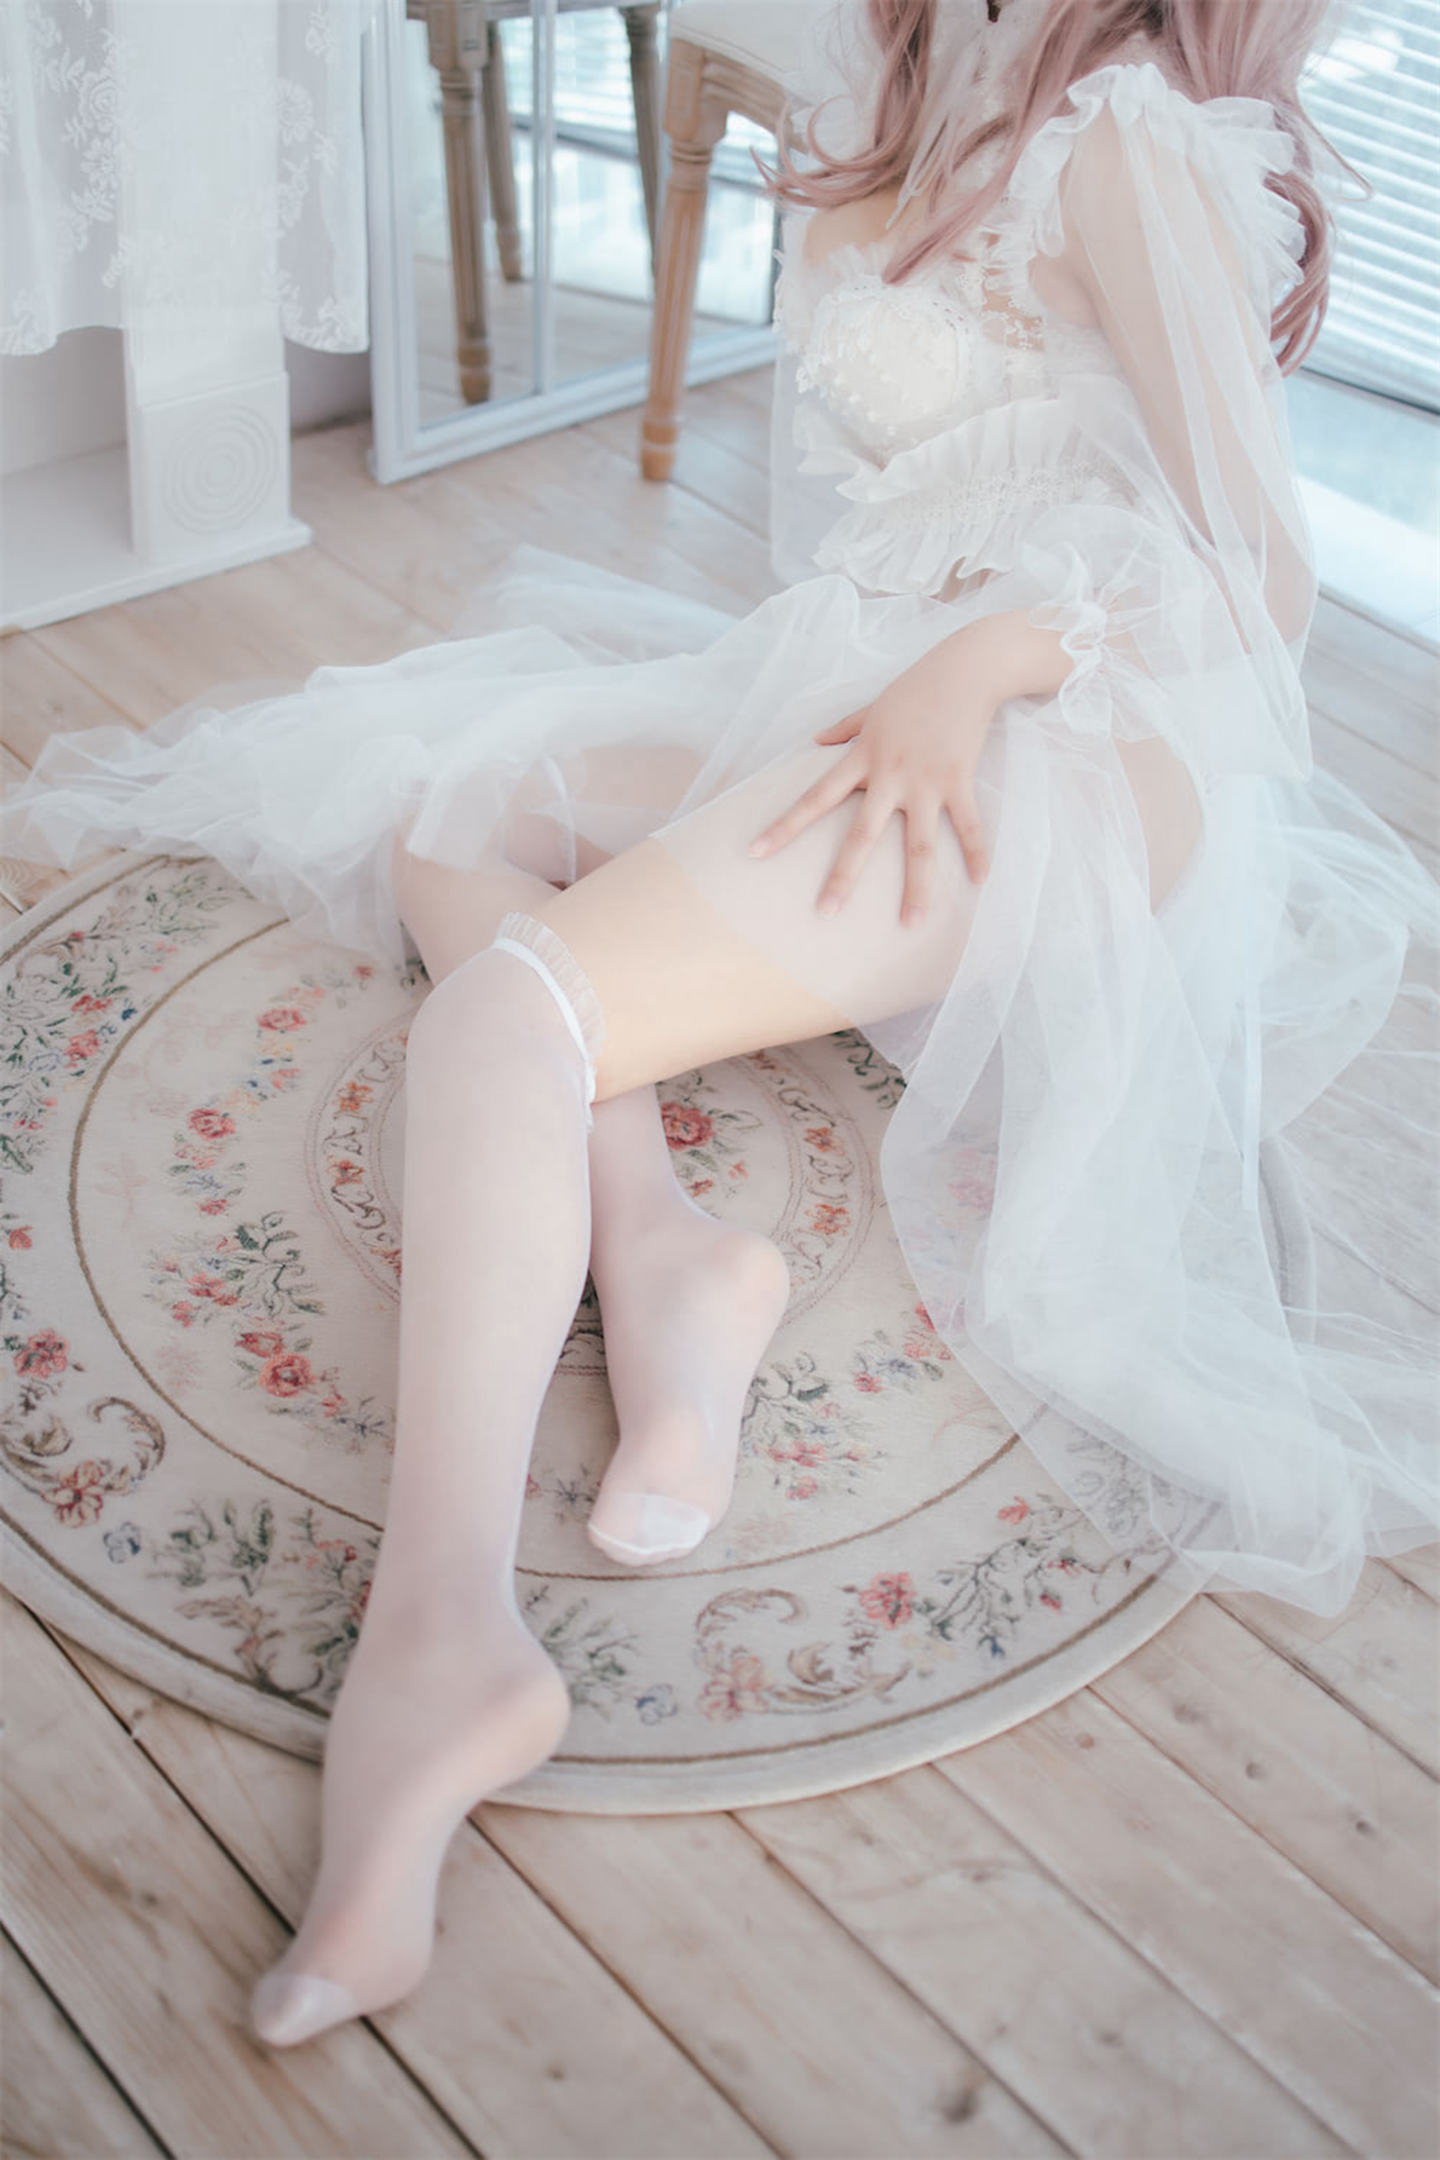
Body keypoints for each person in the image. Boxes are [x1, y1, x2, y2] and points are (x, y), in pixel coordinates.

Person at [3, 0, 1437, 2051]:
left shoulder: (1121, 128)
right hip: (876, 684)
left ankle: (442, 1639)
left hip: (1059, 736)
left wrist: (986, 665)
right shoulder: (915, 73)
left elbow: (1262, 577)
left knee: (507, 1021)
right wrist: (899, 672)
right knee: (454, 821)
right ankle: (672, 1252)